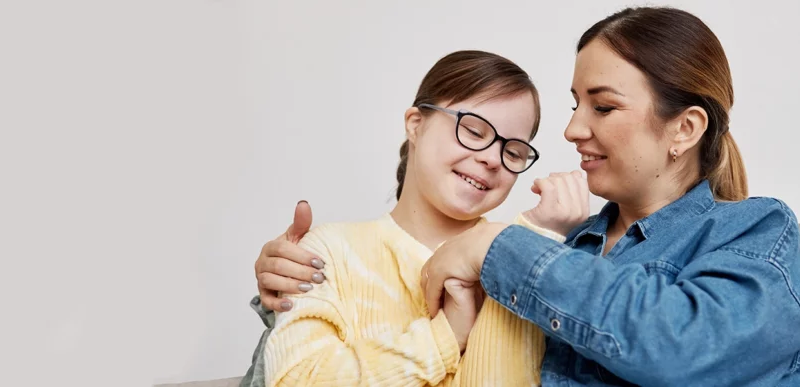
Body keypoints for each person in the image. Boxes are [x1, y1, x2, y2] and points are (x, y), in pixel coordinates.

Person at [253, 6, 800, 387]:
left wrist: (498, 246)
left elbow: (681, 345)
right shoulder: (565, 243)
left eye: (601, 106)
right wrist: (282, 297)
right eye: (575, 103)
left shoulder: (756, 231)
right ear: (414, 124)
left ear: (685, 129)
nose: (571, 129)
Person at [241, 49, 593, 386]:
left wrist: (533, 242)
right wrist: (445, 337)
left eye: (513, 151)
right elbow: (297, 381)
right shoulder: (329, 252)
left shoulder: (522, 255)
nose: (492, 159)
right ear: (415, 124)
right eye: (473, 131)